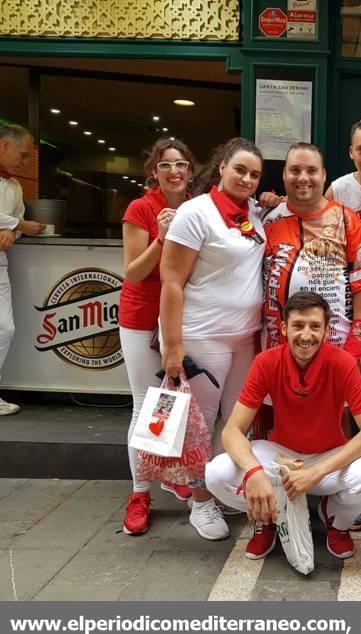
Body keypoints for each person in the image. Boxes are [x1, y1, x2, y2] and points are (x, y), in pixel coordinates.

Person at [205, 291, 361, 560]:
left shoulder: (343, 363)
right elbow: (232, 430)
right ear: (284, 328)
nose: (306, 335)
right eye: (298, 326)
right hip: (280, 456)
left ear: (327, 330)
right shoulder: (266, 362)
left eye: (315, 326)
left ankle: (335, 520)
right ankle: (269, 517)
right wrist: (254, 473)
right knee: (216, 473)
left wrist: (316, 472)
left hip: (328, 458)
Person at [160, 137, 266, 541]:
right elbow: (171, 281)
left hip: (245, 339)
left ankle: (221, 489)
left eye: (254, 174)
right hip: (202, 336)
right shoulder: (196, 212)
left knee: (236, 422)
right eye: (240, 169)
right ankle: (201, 501)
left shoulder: (253, 213)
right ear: (221, 167)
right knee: (200, 424)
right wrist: (173, 346)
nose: (247, 178)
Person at [119, 138, 197, 535]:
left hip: (180, 318)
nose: (174, 171)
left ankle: (168, 473)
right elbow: (132, 271)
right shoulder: (141, 208)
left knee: (171, 402)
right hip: (140, 316)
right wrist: (161, 238)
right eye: (166, 165)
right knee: (143, 405)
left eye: (181, 164)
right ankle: (139, 492)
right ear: (154, 171)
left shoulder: (197, 206)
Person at [262, 142, 361, 357]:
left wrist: (359, 340)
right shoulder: (267, 219)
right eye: (295, 170)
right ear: (284, 174)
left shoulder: (347, 220)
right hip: (278, 351)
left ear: (324, 175)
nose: (303, 178)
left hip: (337, 350)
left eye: (311, 171)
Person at [0, 123, 46, 415]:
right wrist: (17, 226)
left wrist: (10, 232)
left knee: (5, 329)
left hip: (0, 262)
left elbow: (16, 218)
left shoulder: (15, 186)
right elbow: (19, 221)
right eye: (23, 154)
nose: (26, 162)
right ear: (4, 146)